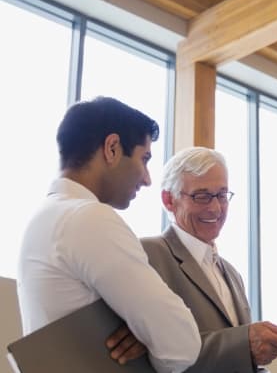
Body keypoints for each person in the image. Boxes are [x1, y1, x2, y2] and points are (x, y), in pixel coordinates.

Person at [17, 97, 201, 373]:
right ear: (112, 148)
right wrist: (150, 336)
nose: (147, 178)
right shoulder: (89, 218)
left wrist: (144, 333)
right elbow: (182, 344)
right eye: (144, 158)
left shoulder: (43, 219)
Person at [141, 146, 277, 373]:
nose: (216, 208)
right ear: (169, 200)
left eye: (221, 195)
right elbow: (154, 352)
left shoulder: (232, 274)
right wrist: (244, 343)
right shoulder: (148, 255)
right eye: (202, 196)